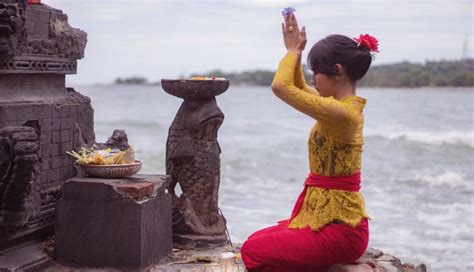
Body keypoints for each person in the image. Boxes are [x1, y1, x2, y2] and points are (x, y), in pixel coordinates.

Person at [240, 12, 380, 272]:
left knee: (252, 252)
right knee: (255, 241)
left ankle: (340, 266)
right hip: (321, 219)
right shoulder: (334, 107)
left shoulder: (344, 114)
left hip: (343, 232)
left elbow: (281, 87)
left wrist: (292, 51)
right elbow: (296, 85)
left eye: (316, 72)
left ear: (337, 71)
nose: (313, 78)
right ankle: (335, 267)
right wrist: (296, 52)